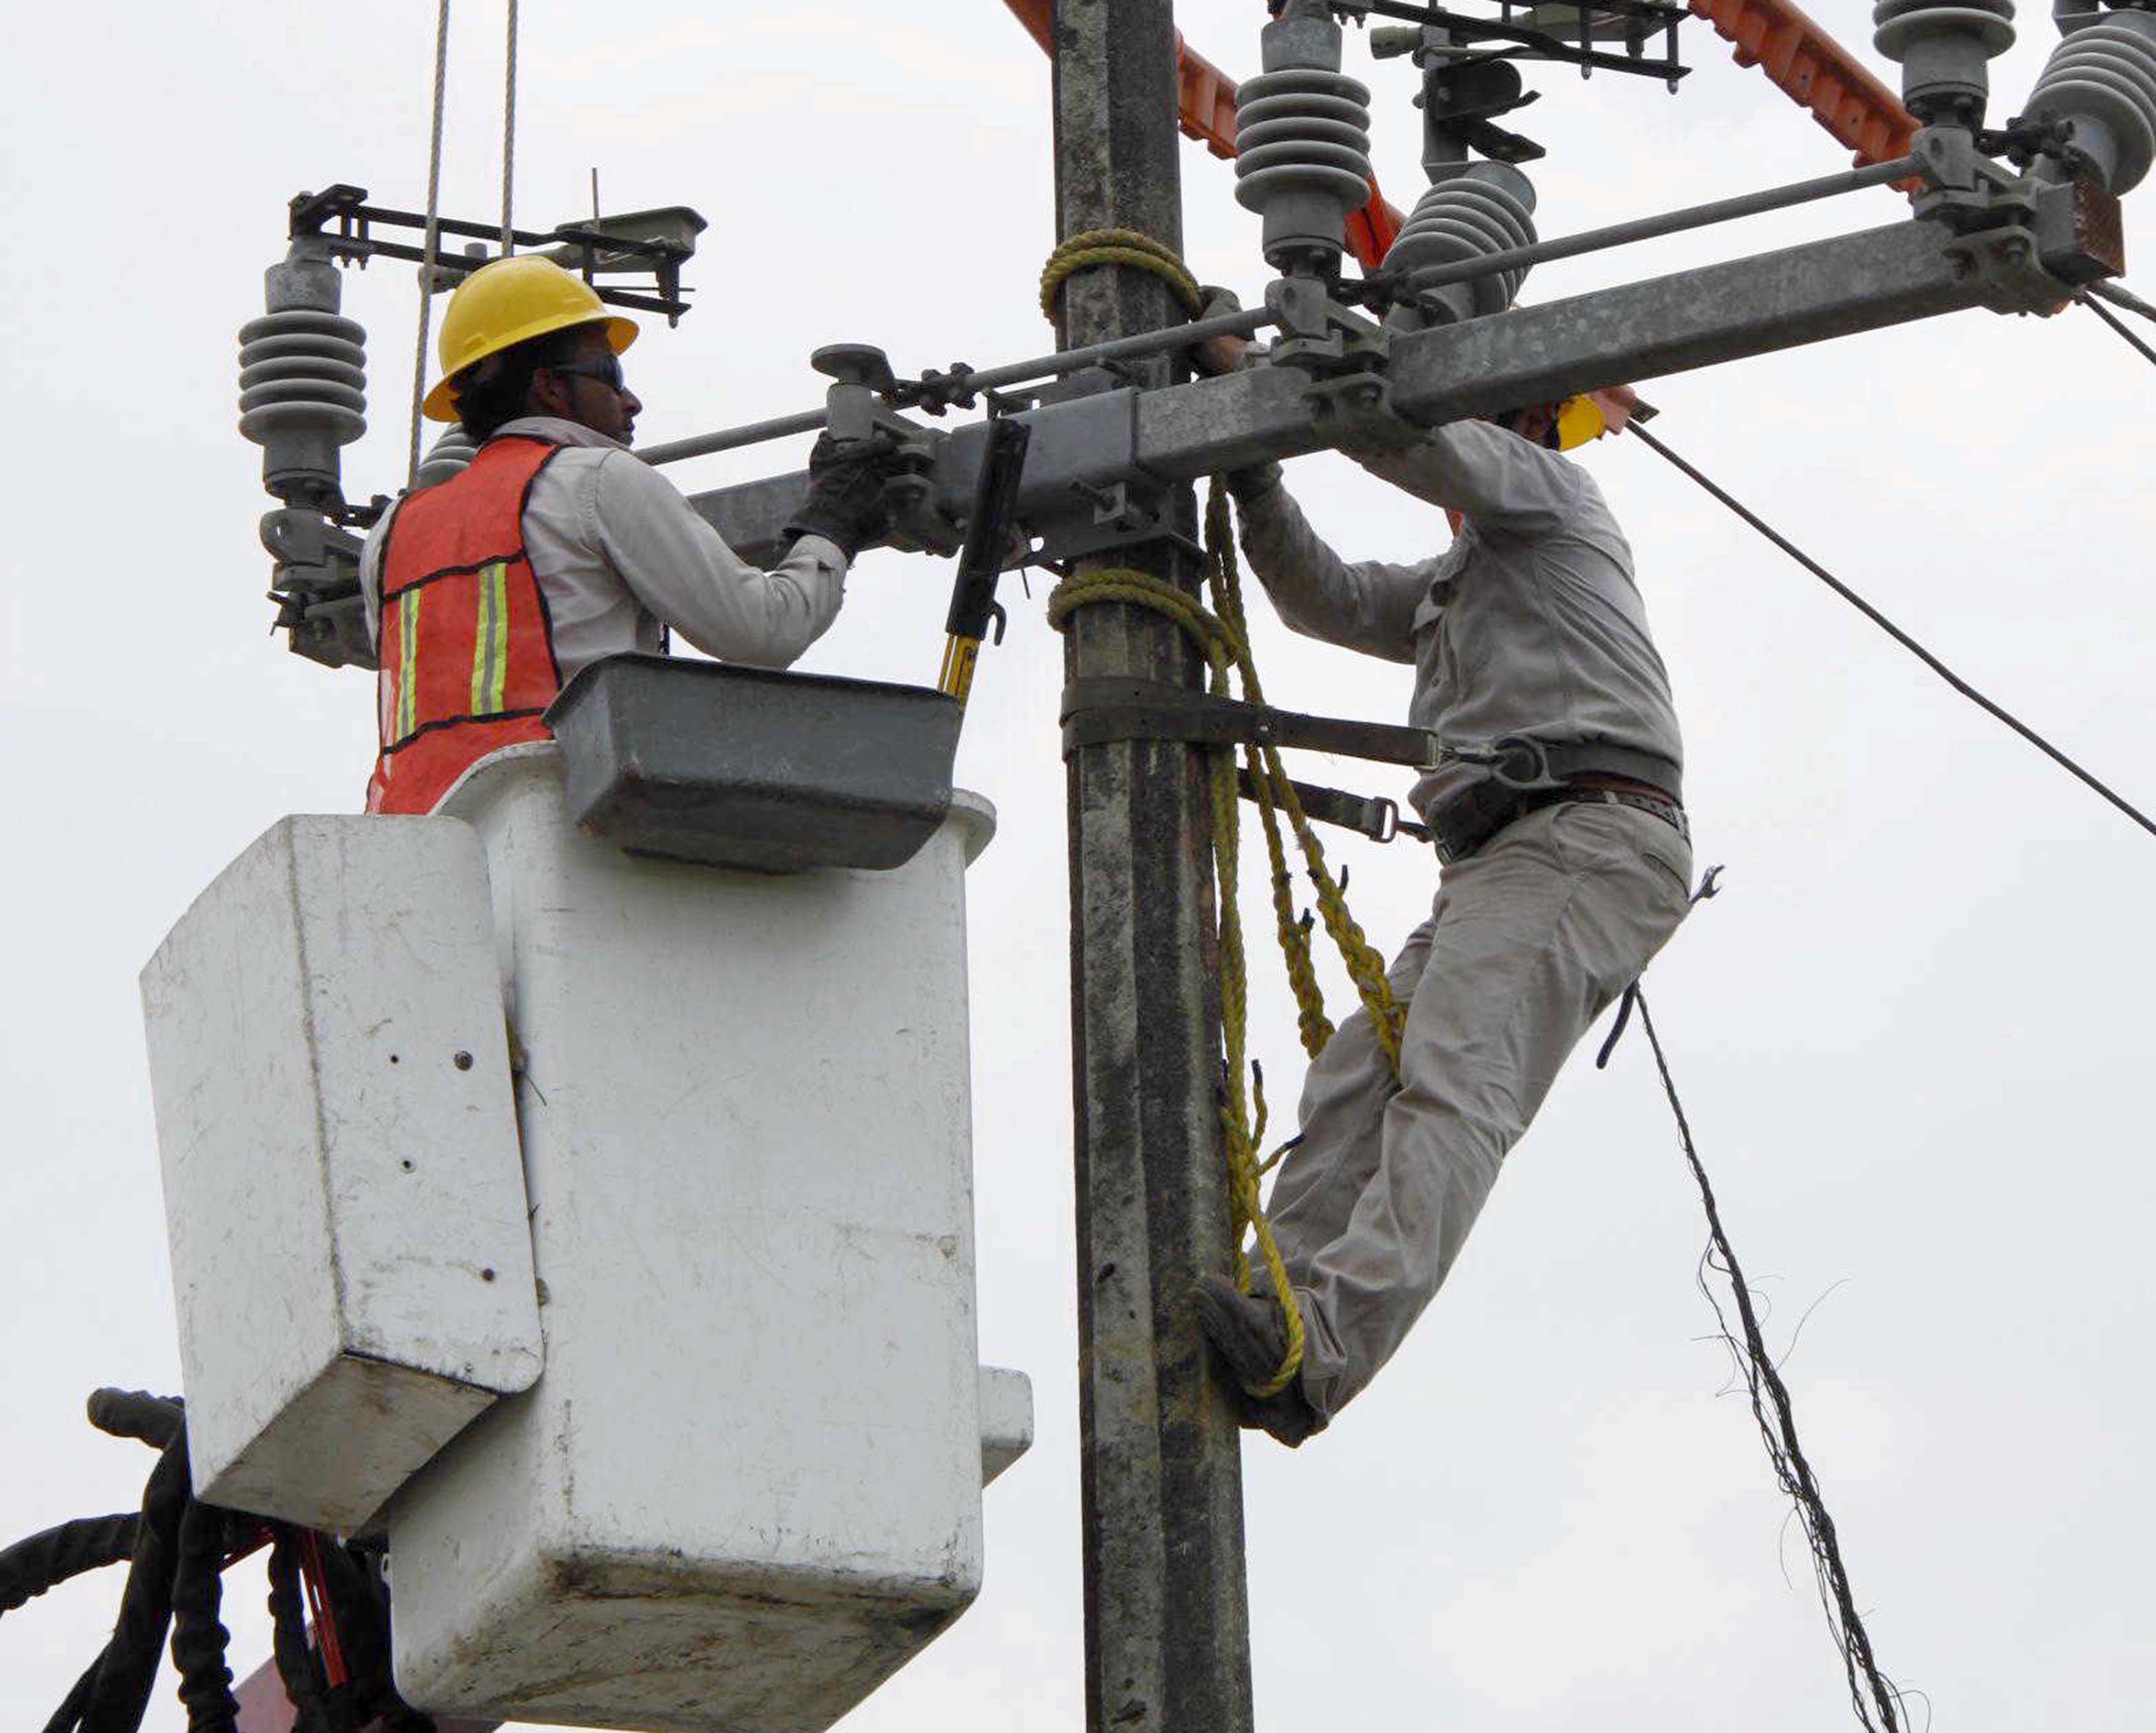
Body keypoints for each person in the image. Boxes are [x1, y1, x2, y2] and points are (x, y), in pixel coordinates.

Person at [1191, 384, 1696, 1446]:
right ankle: (1277, 1305)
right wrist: (1253, 468)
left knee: (1455, 1081)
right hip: (1507, 857)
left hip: (1586, 835)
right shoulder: (1454, 584)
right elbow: (1321, 599)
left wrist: (1310, 377)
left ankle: (1320, 1354)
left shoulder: (1554, 491)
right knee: (1358, 1076)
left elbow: (1414, 446)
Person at [361, 254, 896, 814]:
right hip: (559, 826)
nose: (631, 400)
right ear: (549, 388)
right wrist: (832, 522)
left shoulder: (390, 535)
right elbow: (763, 632)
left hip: (416, 838)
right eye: (609, 375)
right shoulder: (597, 481)